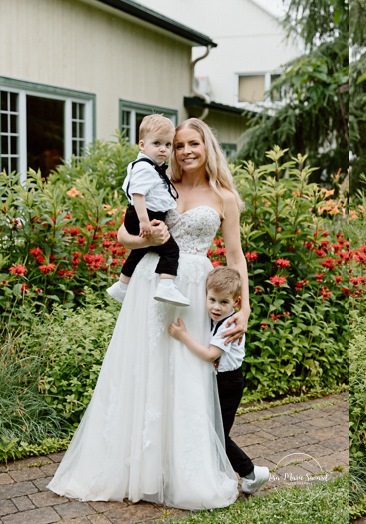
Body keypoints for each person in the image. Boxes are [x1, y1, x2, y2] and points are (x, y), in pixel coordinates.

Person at [48, 118, 251, 510]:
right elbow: (123, 235)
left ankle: (183, 471)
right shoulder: (159, 184)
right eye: (178, 145)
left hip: (197, 289)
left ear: (207, 147)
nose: (186, 151)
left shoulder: (223, 196)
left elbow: (234, 255)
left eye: (194, 144)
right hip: (152, 281)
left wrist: (243, 309)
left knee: (187, 371)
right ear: (169, 149)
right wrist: (149, 236)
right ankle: (133, 469)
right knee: (144, 367)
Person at [168, 266, 270, 495]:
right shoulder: (215, 318)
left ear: (236, 302)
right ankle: (215, 472)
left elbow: (210, 355)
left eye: (224, 302)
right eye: (212, 299)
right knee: (209, 429)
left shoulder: (230, 325)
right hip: (219, 380)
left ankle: (251, 473)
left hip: (229, 384)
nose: (216, 306)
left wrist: (182, 336)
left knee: (218, 434)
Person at [106, 114, 189, 307]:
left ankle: (122, 285)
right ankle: (166, 284)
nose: (163, 149)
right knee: (171, 250)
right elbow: (138, 194)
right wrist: (144, 221)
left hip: (142, 215)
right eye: (157, 143)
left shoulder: (154, 167)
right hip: (145, 216)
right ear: (142, 145)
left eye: (168, 145)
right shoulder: (145, 168)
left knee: (140, 251)